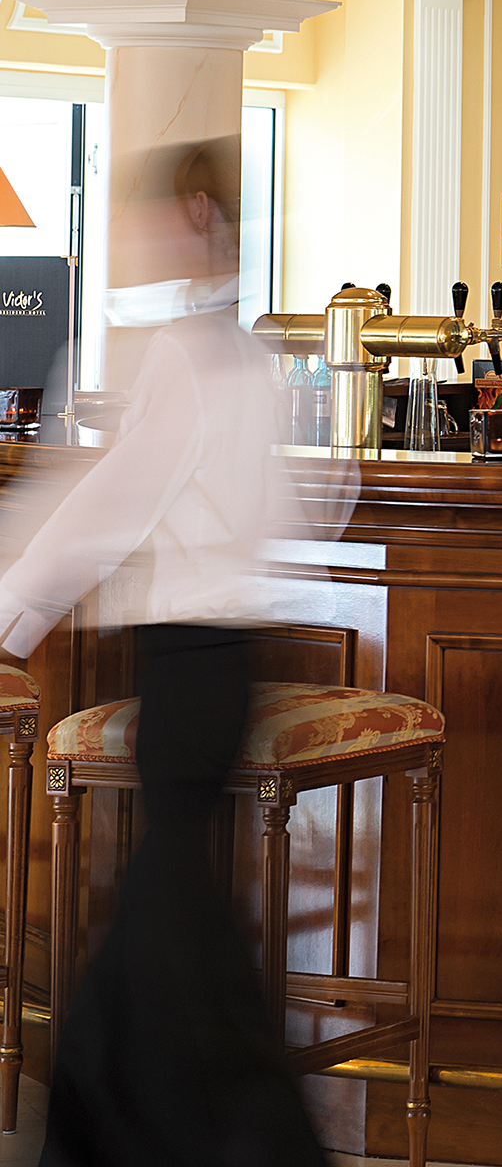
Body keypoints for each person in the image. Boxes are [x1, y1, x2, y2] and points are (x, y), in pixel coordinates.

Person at [0, 137, 345, 1167]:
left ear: (197, 214)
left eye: (145, 218)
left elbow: (109, 506)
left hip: (189, 667)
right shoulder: (239, 354)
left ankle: (189, 1138)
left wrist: (11, 616)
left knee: (170, 914)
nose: (134, 240)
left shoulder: (189, 358)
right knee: (171, 910)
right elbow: (310, 507)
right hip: (215, 662)